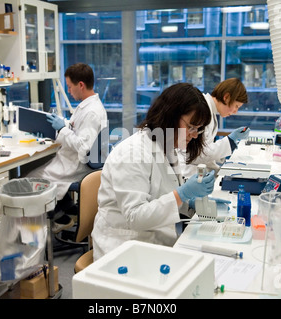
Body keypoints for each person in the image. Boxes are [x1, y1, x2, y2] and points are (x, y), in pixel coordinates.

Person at [92, 83, 216, 261]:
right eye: (191, 127)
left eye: (199, 129)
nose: (195, 135)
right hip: (123, 245)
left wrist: (190, 202)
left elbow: (163, 195)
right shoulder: (132, 153)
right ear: (170, 116)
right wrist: (182, 194)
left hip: (155, 237)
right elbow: (135, 217)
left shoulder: (166, 147)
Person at [26, 63, 107, 233]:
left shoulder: (91, 112)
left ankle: (59, 218)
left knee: (31, 178)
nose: (69, 91)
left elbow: (83, 147)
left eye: (70, 87)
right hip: (74, 161)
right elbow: (78, 131)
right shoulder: (88, 105)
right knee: (41, 169)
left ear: (81, 85)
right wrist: (62, 125)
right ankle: (68, 208)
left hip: (77, 166)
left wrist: (63, 128)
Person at [179, 78, 250, 178]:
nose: (235, 111)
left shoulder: (210, 111)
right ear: (226, 97)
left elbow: (205, 148)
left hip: (197, 173)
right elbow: (194, 154)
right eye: (236, 106)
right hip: (187, 175)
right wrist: (229, 142)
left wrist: (225, 154)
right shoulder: (202, 110)